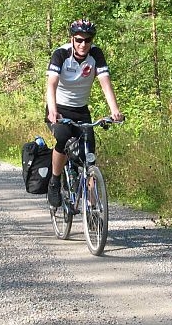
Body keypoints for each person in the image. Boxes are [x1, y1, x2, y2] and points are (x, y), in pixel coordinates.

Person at [45, 19, 123, 208]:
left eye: (87, 40)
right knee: (63, 140)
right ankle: (55, 182)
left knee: (90, 156)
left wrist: (114, 110)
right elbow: (51, 84)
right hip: (59, 109)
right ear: (72, 39)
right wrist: (53, 110)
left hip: (81, 110)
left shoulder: (95, 54)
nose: (83, 44)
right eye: (79, 40)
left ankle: (92, 208)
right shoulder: (61, 54)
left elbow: (105, 83)